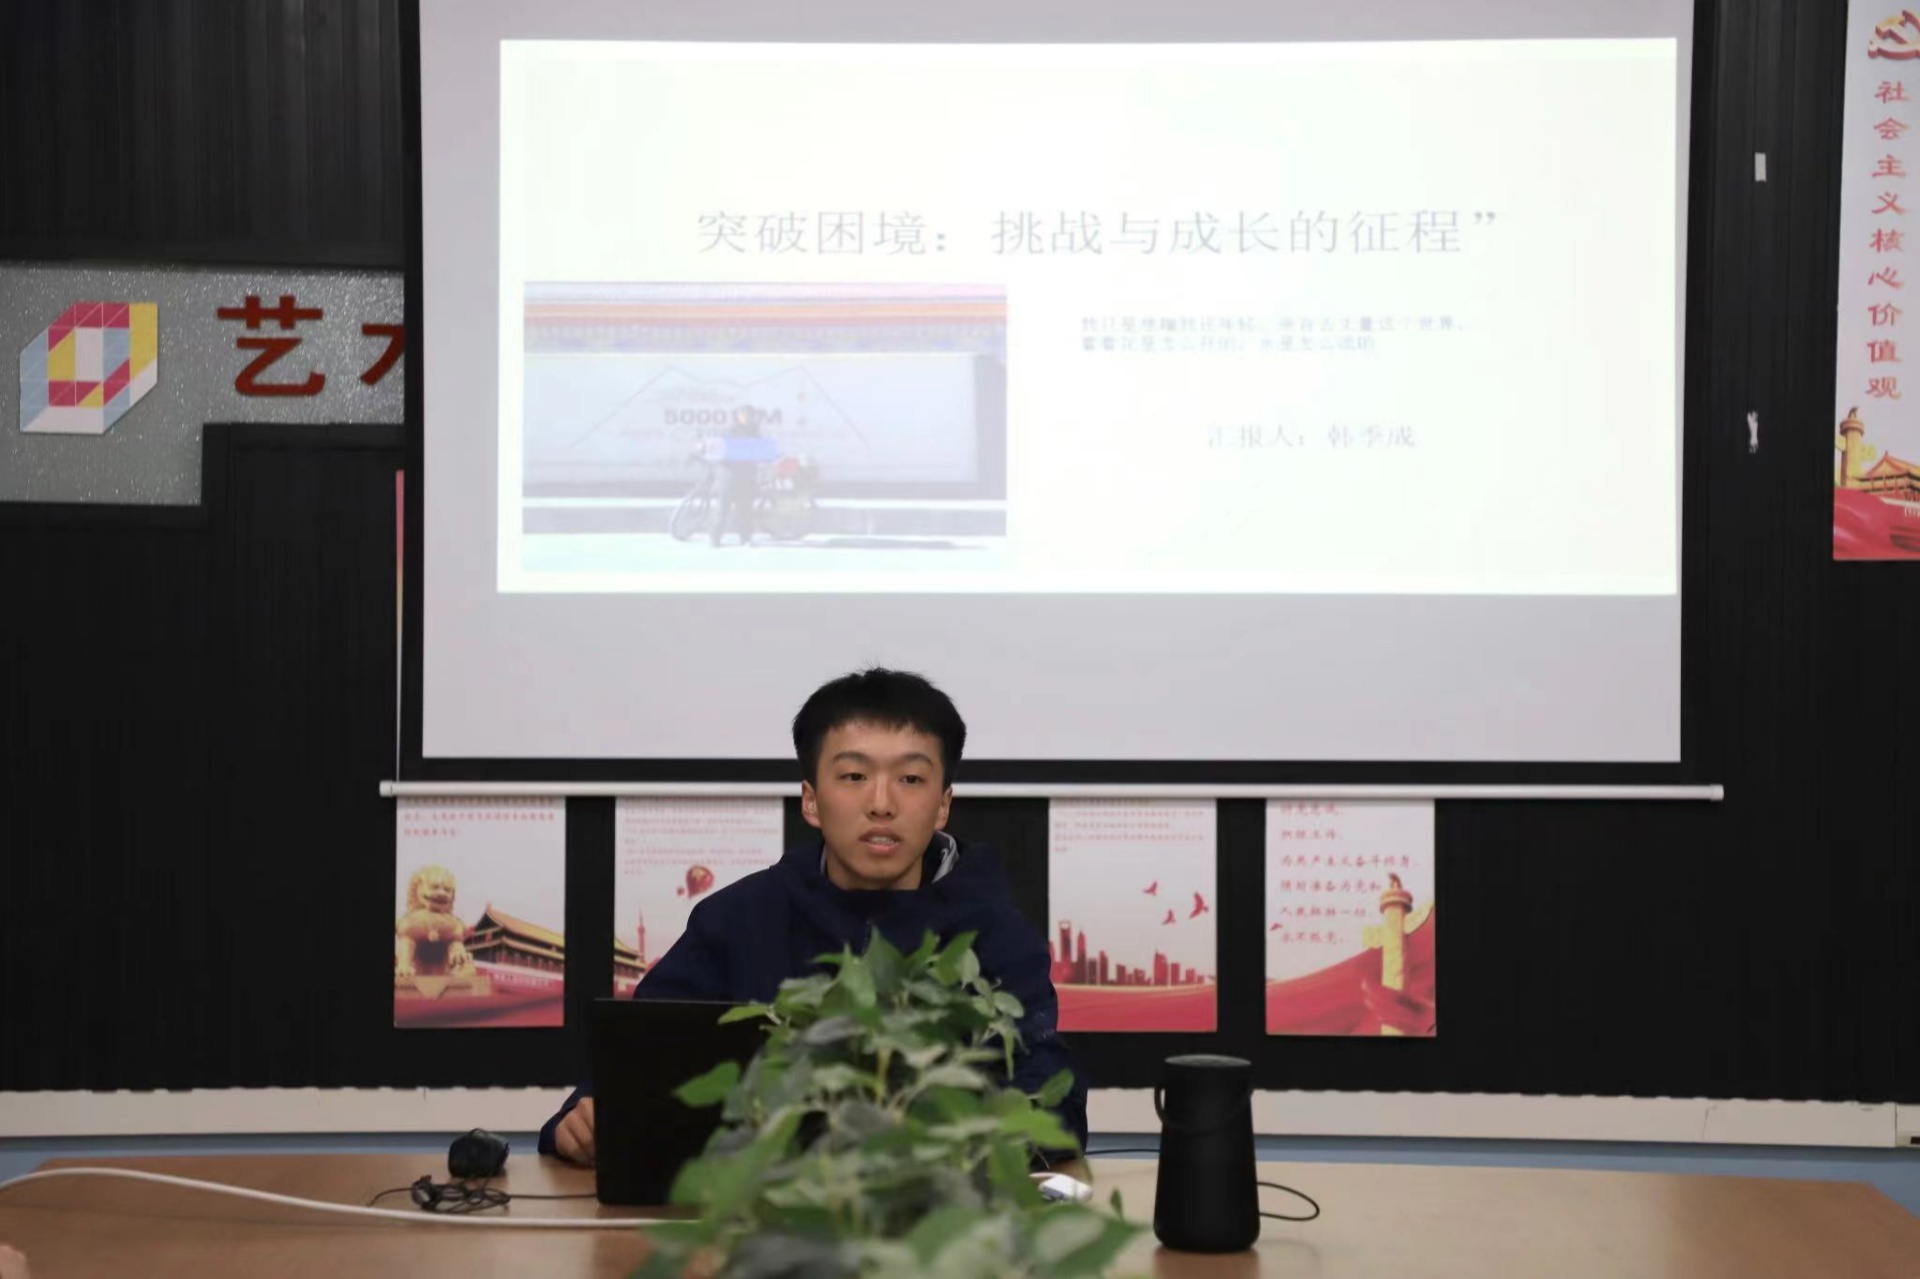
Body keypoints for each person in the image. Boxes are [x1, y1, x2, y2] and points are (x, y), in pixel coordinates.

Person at [541, 668, 1087, 1165]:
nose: (881, 803)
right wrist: (585, 1120)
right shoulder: (737, 919)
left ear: (942, 805)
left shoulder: (992, 931)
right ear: (810, 800)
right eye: (853, 776)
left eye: (910, 779)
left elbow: (1053, 1107)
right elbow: (630, 1068)